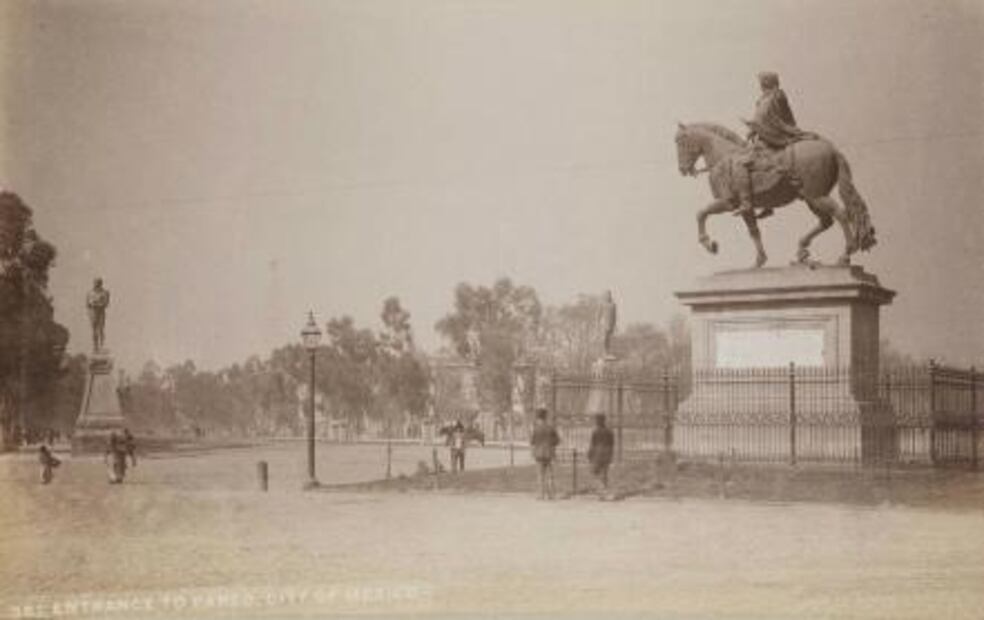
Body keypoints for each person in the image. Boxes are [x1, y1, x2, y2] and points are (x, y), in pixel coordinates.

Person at [735, 72, 813, 218]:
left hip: (772, 138)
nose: (760, 85)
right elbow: (762, 119)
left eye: (762, 82)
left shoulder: (774, 97)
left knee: (741, 164)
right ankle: (768, 204)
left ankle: (746, 203)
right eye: (760, 82)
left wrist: (757, 127)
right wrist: (753, 129)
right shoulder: (763, 99)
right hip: (763, 136)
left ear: (767, 82)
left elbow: (772, 120)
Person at [530, 408, 560, 500]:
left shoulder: (536, 429)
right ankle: (551, 495)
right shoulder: (551, 428)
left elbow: (532, 442)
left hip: (539, 454)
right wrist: (551, 444)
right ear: (546, 417)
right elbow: (557, 441)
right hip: (549, 453)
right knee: (550, 475)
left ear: (538, 418)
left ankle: (541, 495)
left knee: (540, 475)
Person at [587, 414, 615, 498]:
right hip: (607, 454)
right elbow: (612, 444)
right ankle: (604, 491)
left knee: (595, 473)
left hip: (598, 454)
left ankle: (603, 491)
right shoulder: (609, 431)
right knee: (604, 473)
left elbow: (593, 444)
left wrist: (590, 454)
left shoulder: (595, 431)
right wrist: (610, 455)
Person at [86, 278, 111, 352]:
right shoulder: (90, 293)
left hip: (101, 312)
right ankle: (95, 346)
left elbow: (106, 303)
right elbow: (87, 304)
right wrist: (92, 304)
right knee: (94, 330)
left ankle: (101, 345)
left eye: (98, 283)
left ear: (101, 284)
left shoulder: (105, 292)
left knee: (101, 329)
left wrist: (98, 304)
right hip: (93, 312)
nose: (96, 284)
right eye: (95, 283)